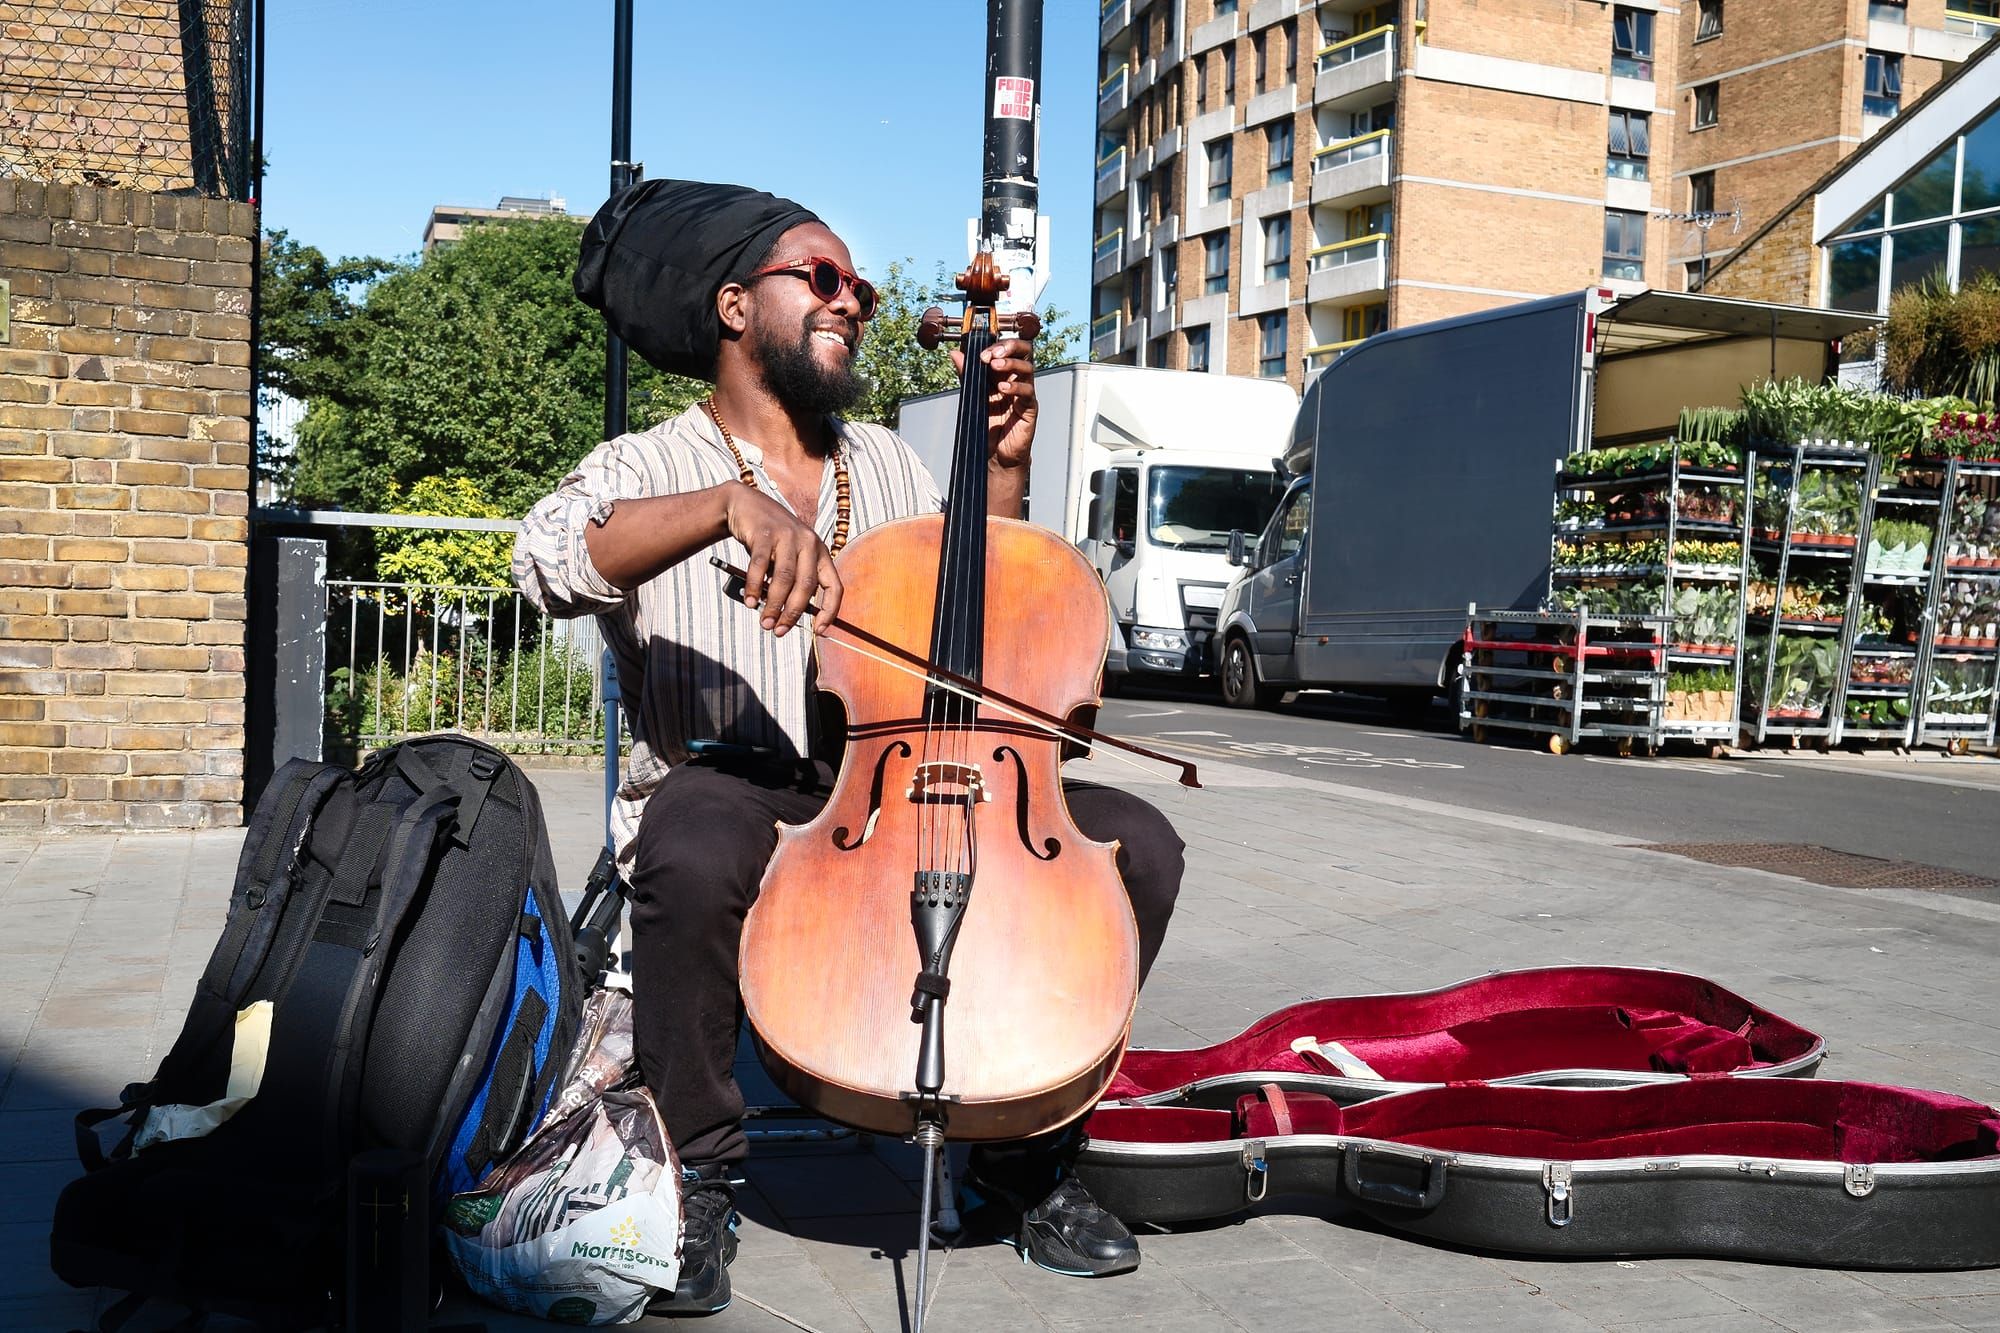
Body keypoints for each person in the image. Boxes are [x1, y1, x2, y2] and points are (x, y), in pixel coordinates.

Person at [515, 179, 1183, 1315]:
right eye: (820, 279)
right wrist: (727, 505)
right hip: (727, 781)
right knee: (688, 840)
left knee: (1138, 847)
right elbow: (544, 560)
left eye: (859, 290)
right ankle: (702, 1178)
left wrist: (1002, 467)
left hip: (894, 777)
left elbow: (987, 623)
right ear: (735, 307)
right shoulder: (647, 460)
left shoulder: (890, 467)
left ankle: (1022, 1159)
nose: (852, 303)